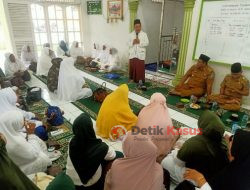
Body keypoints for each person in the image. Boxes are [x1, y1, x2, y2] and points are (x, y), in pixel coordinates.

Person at [161, 110, 229, 184]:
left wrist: (175, 151)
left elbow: (179, 162)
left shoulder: (195, 142)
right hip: (215, 177)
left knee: (165, 161)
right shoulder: (224, 142)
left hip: (199, 178)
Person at [66, 113, 122, 190]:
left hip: (71, 182)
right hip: (91, 184)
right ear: (91, 129)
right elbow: (112, 155)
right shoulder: (100, 147)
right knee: (119, 155)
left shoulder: (71, 142)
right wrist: (98, 139)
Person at [184, 129, 250, 190]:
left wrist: (200, 180)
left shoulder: (239, 182)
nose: (228, 141)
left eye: (231, 140)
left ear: (238, 148)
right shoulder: (241, 165)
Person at [0, 111, 51, 175]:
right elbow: (34, 154)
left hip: (13, 166)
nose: (25, 122)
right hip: (21, 171)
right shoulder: (17, 143)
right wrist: (31, 134)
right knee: (44, 158)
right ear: (15, 123)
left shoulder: (5, 133)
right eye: (23, 120)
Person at [136, 93, 178, 162]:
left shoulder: (143, 111)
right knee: (175, 132)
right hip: (156, 152)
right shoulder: (166, 119)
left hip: (140, 145)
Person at [128, 19, 149, 83]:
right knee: (132, 66)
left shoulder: (144, 34)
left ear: (141, 26)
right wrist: (132, 42)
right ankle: (132, 79)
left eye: (139, 26)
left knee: (140, 68)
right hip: (133, 54)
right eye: (136, 27)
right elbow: (127, 43)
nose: (138, 28)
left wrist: (140, 42)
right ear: (134, 27)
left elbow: (147, 43)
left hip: (140, 54)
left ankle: (140, 80)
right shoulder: (130, 34)